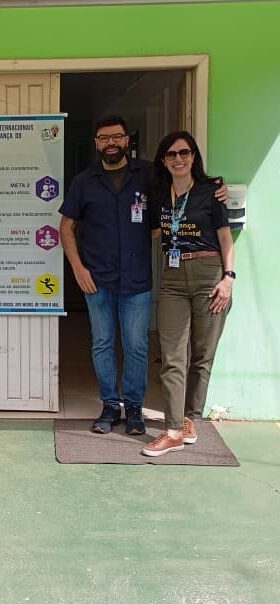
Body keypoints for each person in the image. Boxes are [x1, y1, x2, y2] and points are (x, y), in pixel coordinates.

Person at [59, 115, 153, 436]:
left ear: (127, 140)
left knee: (136, 345)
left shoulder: (148, 174)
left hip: (137, 279)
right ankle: (111, 405)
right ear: (97, 143)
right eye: (104, 138)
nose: (110, 143)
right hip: (96, 279)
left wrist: (215, 187)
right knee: (102, 343)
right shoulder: (84, 181)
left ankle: (135, 407)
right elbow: (66, 228)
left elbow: (184, 185)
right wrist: (78, 269)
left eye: (116, 137)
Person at [142, 131, 234, 457]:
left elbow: (225, 238)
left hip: (210, 273)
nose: (178, 159)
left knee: (203, 353)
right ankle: (172, 431)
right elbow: (154, 230)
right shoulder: (158, 194)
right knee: (172, 355)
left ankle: (190, 418)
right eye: (171, 154)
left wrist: (228, 278)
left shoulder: (211, 191)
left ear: (194, 156)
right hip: (173, 277)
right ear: (163, 160)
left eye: (184, 152)